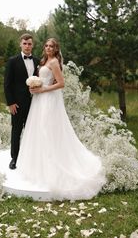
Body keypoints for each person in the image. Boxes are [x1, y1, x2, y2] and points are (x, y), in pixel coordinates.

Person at [16, 37, 106, 200]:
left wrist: (43, 89)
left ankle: (53, 167)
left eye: (51, 46)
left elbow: (61, 83)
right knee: (38, 130)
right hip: (38, 100)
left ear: (56, 49)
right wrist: (35, 86)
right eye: (46, 45)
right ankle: (38, 166)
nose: (48, 48)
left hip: (48, 99)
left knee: (47, 130)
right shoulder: (44, 60)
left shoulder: (54, 63)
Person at [4, 33, 40, 170]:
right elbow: (7, 84)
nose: (27, 46)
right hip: (17, 104)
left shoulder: (37, 61)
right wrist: (11, 103)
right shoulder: (12, 61)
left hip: (35, 103)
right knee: (16, 131)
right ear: (20, 44)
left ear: (33, 45)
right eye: (25, 43)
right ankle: (14, 158)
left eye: (29, 43)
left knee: (33, 131)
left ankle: (32, 157)